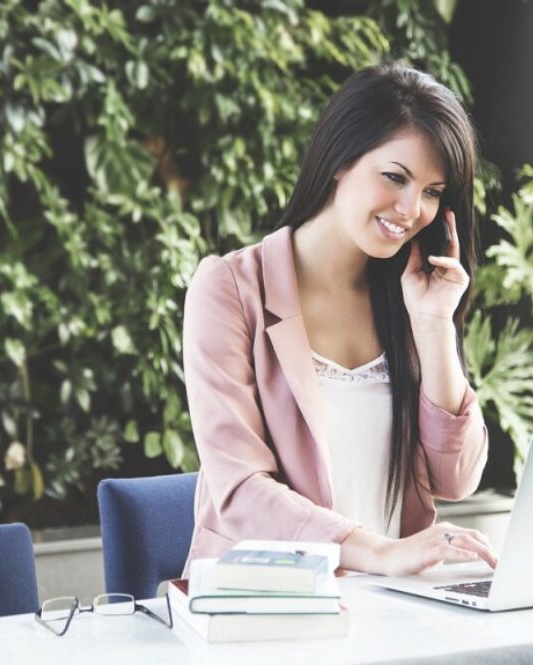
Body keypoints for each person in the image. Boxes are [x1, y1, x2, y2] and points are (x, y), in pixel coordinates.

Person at [182, 62, 498, 577]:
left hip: (395, 610)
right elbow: (239, 489)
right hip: (268, 604)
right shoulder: (231, 289)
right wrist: (379, 552)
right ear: (338, 160)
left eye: (433, 191)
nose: (411, 208)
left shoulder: (411, 296)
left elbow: (456, 478)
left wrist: (435, 326)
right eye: (395, 177)